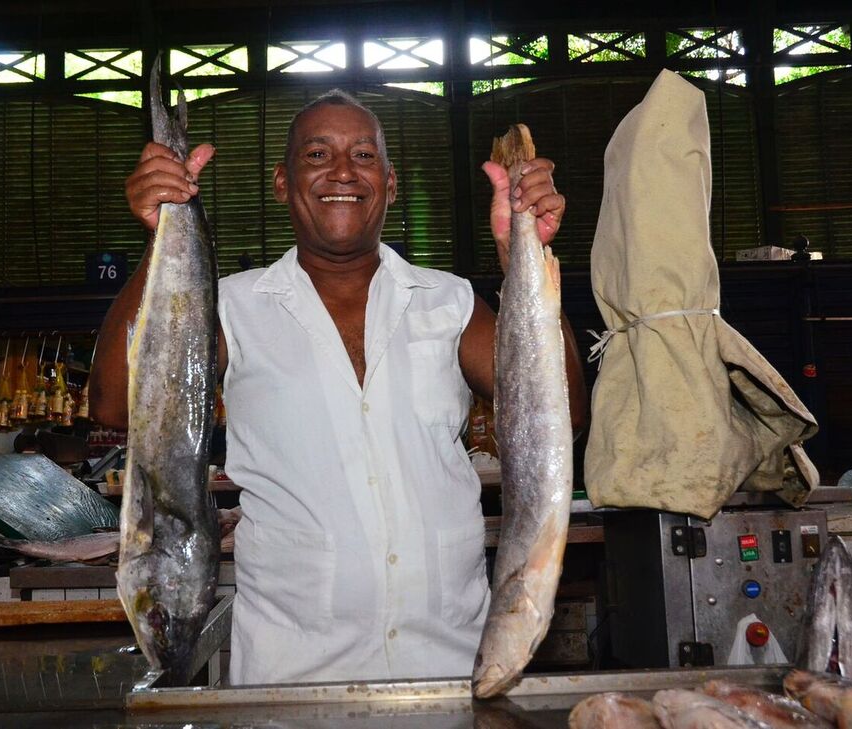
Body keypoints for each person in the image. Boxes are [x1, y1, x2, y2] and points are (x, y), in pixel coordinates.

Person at [90, 90, 587, 685]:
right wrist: (160, 236)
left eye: (364, 155)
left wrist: (523, 252)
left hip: (452, 664)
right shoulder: (231, 306)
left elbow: (565, 412)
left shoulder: (449, 301)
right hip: (289, 674)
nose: (343, 171)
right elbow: (116, 404)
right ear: (282, 182)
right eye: (318, 154)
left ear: (392, 183)